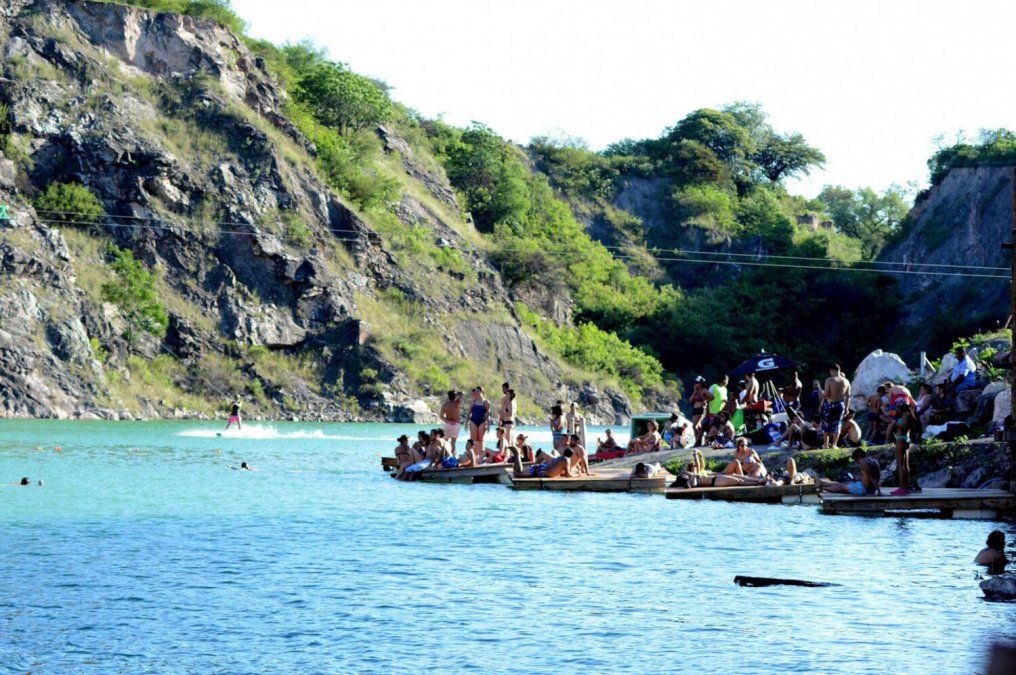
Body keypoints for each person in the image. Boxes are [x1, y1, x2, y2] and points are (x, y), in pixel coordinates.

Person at [891, 401, 922, 496]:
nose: (896, 409)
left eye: (897, 407)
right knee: (905, 464)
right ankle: (907, 486)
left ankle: (902, 488)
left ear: (902, 407)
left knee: (900, 465)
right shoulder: (909, 414)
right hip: (905, 439)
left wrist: (895, 423)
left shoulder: (905, 414)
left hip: (901, 439)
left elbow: (903, 426)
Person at [821, 364, 851, 448]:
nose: (830, 373)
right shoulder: (846, 381)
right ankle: (834, 445)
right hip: (840, 405)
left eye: (830, 371)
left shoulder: (829, 380)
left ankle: (826, 445)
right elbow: (848, 396)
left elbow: (826, 393)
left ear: (833, 370)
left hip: (830, 404)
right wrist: (847, 408)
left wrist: (822, 394)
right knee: (837, 424)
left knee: (826, 424)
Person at [689, 377, 710, 445]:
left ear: (701, 383)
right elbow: (690, 400)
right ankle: (699, 441)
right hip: (695, 409)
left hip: (701, 409)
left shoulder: (704, 390)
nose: (695, 384)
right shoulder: (696, 391)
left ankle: (697, 442)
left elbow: (712, 396)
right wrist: (695, 391)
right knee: (698, 427)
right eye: (695, 382)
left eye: (697, 382)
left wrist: (704, 402)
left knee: (694, 426)